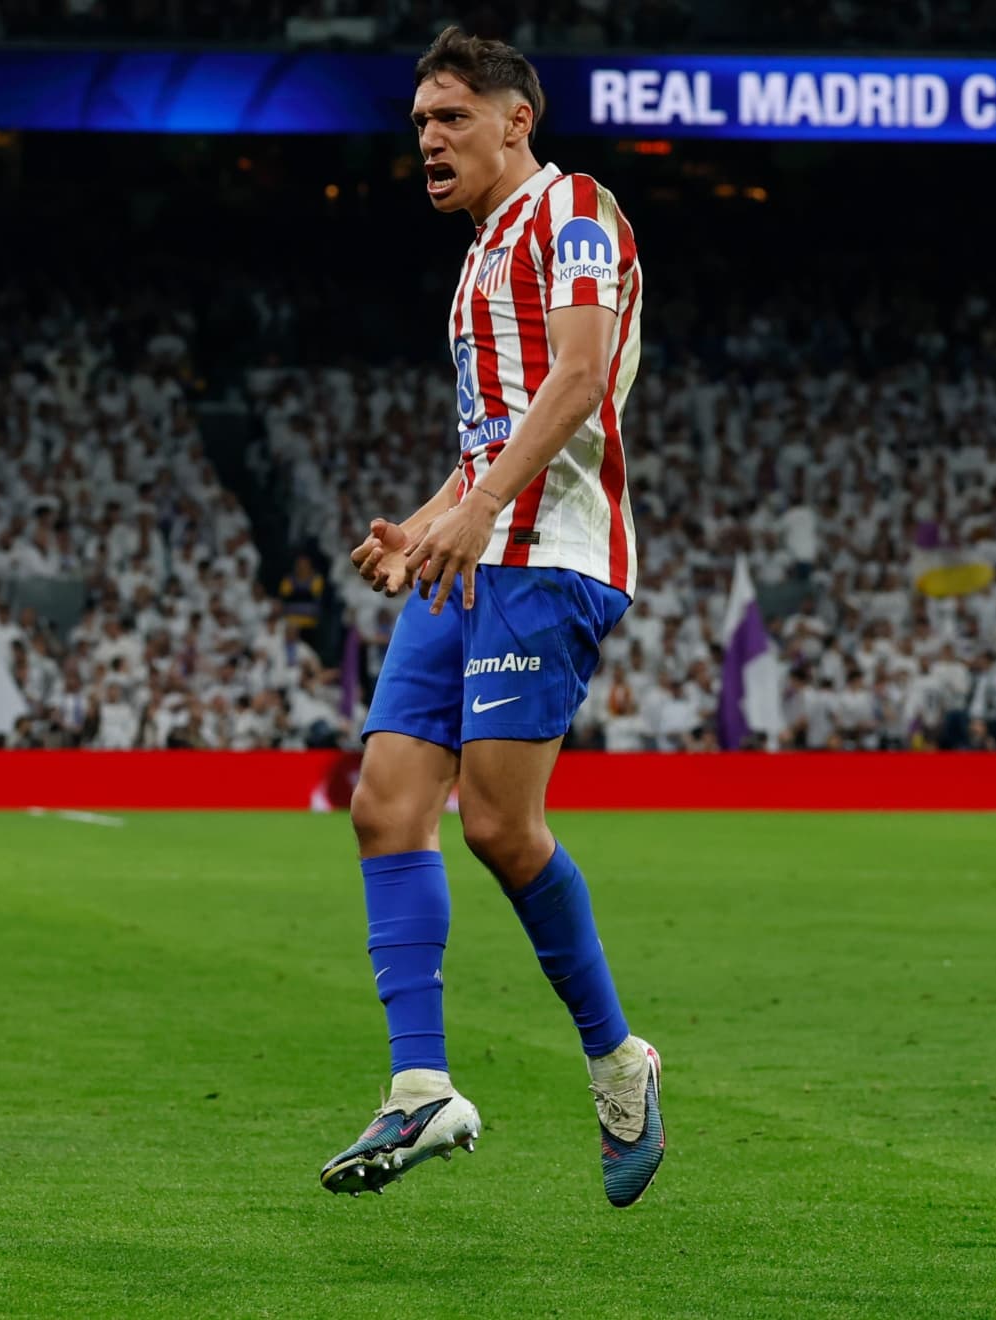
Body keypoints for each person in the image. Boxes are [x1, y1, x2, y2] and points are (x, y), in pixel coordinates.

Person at [321, 29, 663, 1207]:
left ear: (518, 120)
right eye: (420, 120)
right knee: (385, 805)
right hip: (475, 557)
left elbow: (578, 379)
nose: (429, 137)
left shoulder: (576, 212)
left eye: (452, 116)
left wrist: (472, 517)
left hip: (550, 560)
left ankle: (617, 1061)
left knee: (500, 829)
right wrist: (427, 525)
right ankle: (420, 1087)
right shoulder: (479, 257)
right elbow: (487, 442)